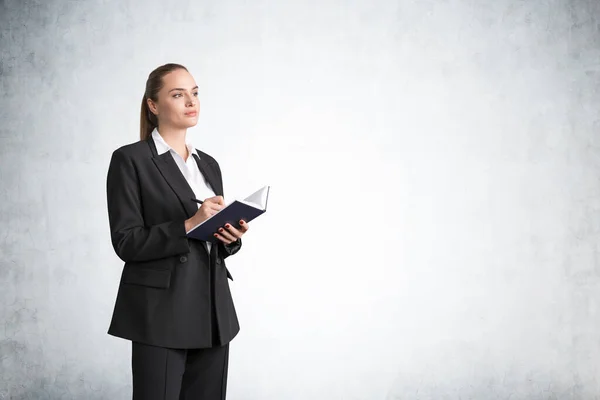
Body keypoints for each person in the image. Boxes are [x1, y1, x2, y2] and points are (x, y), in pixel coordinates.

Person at [105, 63, 249, 399]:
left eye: (195, 93)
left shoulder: (208, 163)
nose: (191, 101)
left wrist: (229, 238)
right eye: (178, 94)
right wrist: (188, 224)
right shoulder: (130, 160)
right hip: (161, 313)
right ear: (153, 105)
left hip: (213, 312)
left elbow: (209, 240)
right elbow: (126, 242)